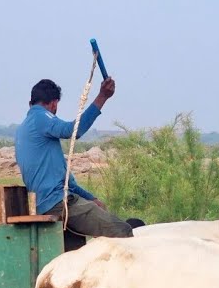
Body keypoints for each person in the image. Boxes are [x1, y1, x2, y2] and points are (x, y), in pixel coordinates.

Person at [16, 77, 135, 238]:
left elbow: (67, 182)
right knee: (123, 230)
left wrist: (91, 198)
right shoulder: (41, 117)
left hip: (49, 201)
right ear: (54, 104)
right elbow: (73, 130)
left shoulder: (24, 128)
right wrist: (102, 97)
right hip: (58, 203)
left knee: (100, 215)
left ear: (30, 102)